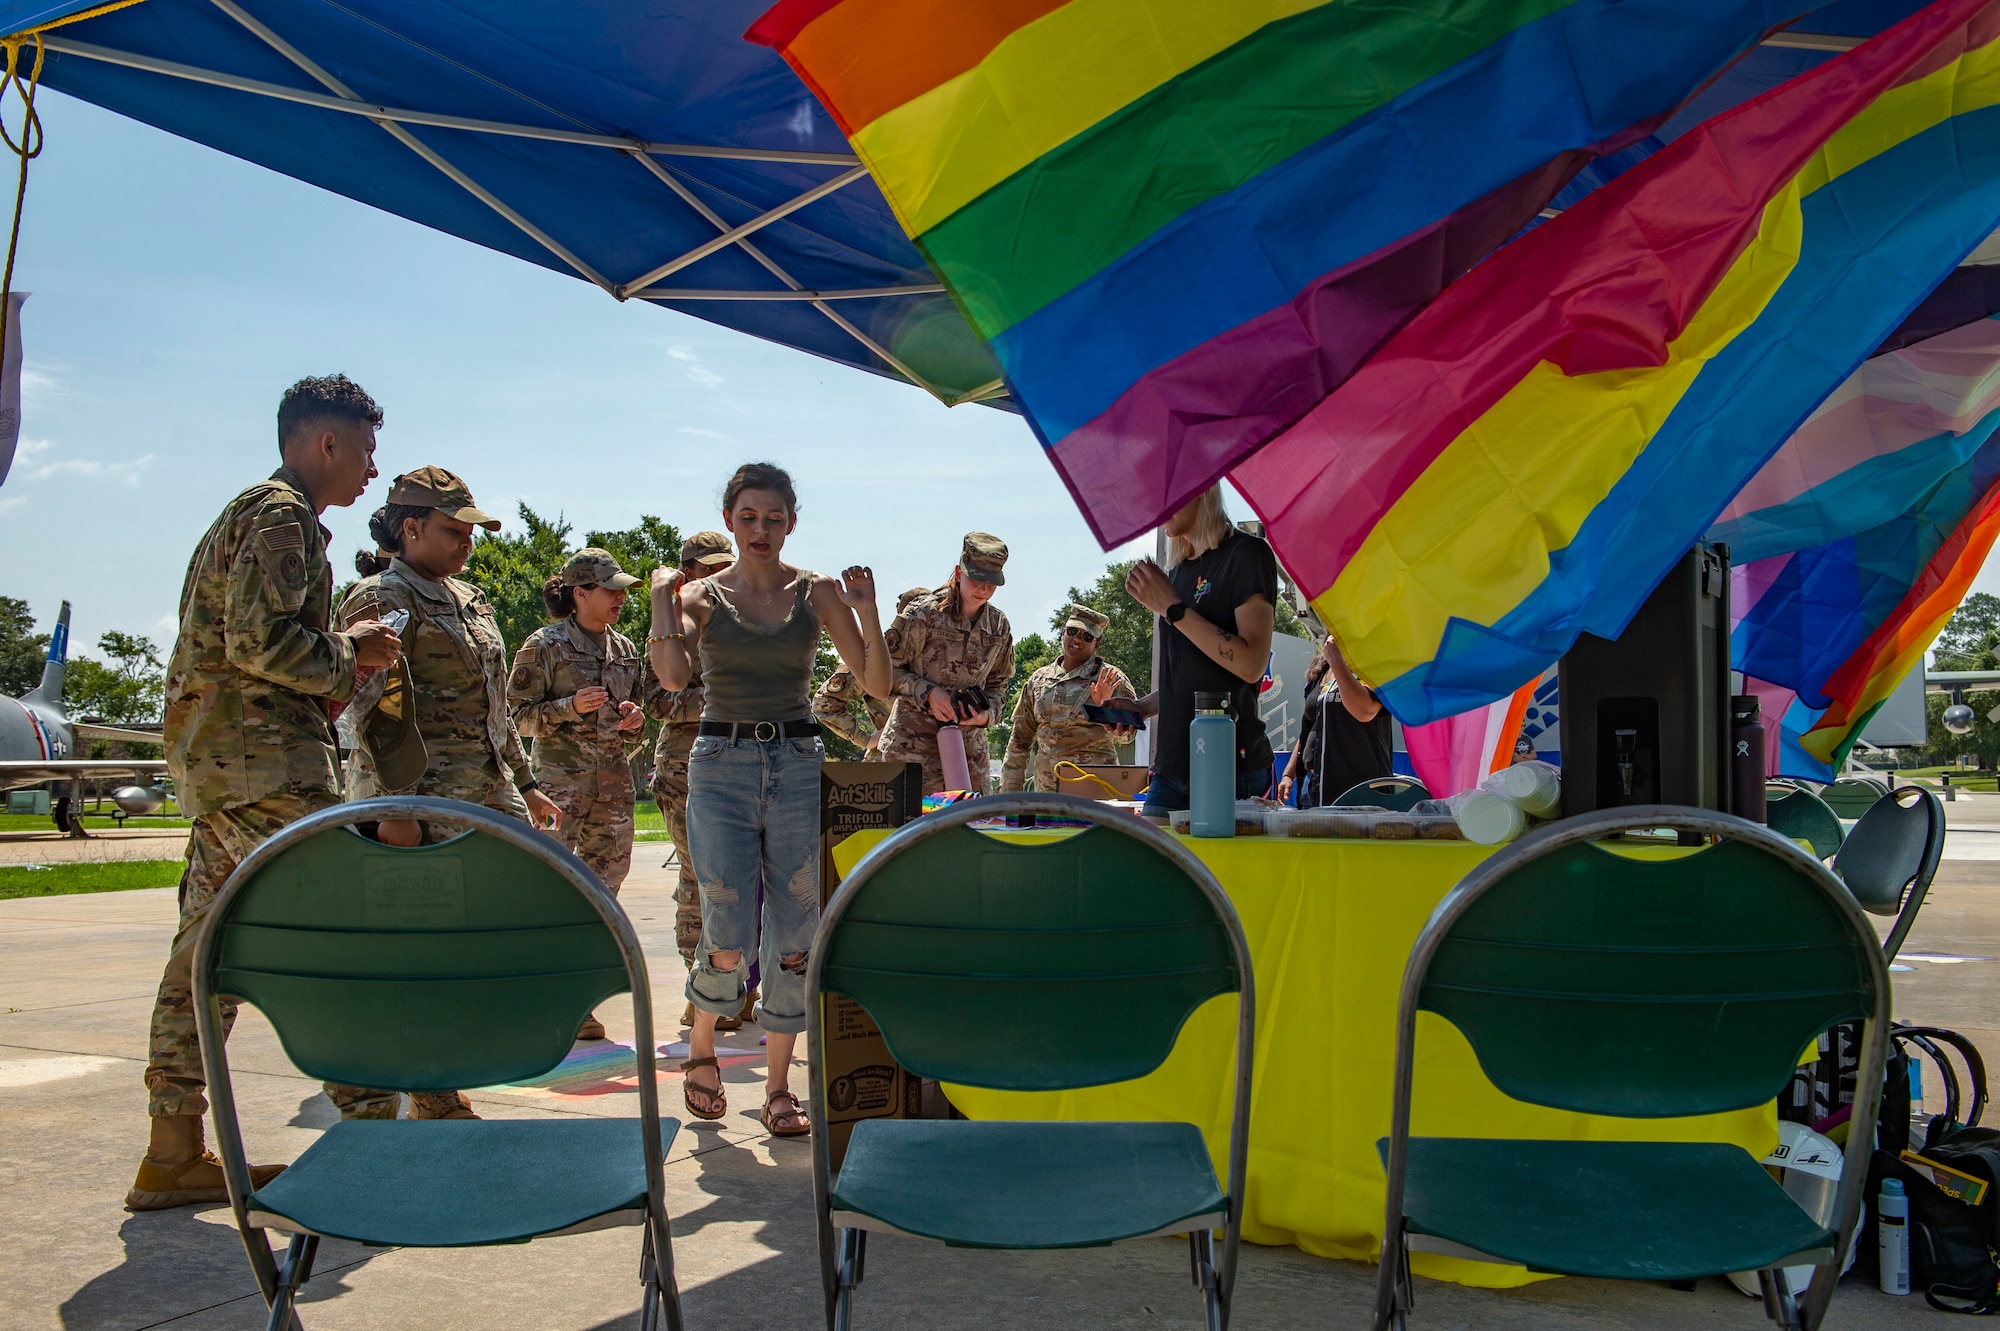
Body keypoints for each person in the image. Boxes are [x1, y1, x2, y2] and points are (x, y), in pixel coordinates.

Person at [131, 375, 404, 1210]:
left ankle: (173, 1147)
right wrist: (350, 651)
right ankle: (376, 1132)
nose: (369, 470)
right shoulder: (282, 513)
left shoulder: (252, 512)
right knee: (327, 933)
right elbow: (258, 641)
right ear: (325, 443)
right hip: (264, 766)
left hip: (225, 764)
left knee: (204, 956)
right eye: (363, 449)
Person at [647, 462, 888, 1138]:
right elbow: (671, 676)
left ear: (791, 522)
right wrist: (663, 601)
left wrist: (866, 609)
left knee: (795, 937)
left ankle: (779, 1086)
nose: (761, 528)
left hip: (798, 760)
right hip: (721, 763)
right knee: (725, 929)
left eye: (774, 517)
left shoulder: (814, 593)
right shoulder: (701, 596)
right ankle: (704, 1049)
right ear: (730, 519)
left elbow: (877, 684)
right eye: (748, 516)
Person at [323, 467, 564, 1122]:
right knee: (421, 952)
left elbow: (497, 711)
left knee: (477, 947)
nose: (466, 543)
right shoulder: (377, 596)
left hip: (486, 797)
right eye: (453, 530)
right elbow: (370, 713)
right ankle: (425, 1093)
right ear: (410, 527)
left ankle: (441, 1080)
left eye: (470, 532)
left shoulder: (472, 599)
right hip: (421, 802)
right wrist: (393, 809)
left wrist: (530, 783)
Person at [508, 547, 669, 1041]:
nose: (621, 597)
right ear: (580, 593)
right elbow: (513, 718)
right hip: (559, 791)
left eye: (622, 589)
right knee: (552, 890)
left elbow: (631, 725)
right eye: (611, 589)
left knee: (604, 893)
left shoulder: (623, 650)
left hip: (614, 793)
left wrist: (634, 722)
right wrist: (565, 707)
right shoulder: (544, 646)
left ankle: (580, 996)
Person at [1120, 485, 1278, 820]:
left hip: (1232, 765)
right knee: (1153, 871)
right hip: (1171, 767)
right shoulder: (1177, 572)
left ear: (1199, 490)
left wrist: (1173, 609)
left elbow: (1251, 665)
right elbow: (1191, 675)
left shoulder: (1248, 553)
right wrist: (1140, 708)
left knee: (1224, 875)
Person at [646, 529, 752, 1029]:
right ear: (688, 571)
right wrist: (720, 702)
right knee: (702, 882)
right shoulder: (672, 621)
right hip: (685, 770)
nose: (718, 576)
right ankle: (704, 996)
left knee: (737, 883)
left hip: (741, 766)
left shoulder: (743, 616)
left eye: (723, 566)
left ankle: (729, 988)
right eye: (708, 568)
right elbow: (656, 698)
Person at [877, 535, 1015, 794]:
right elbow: (884, 673)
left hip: (969, 756)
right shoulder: (923, 615)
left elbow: (999, 684)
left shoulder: (998, 625)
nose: (983, 589)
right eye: (976, 578)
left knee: (973, 828)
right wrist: (927, 692)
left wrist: (987, 715)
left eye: (991, 582)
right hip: (913, 752)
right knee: (915, 832)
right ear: (958, 572)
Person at [1001, 603, 1137, 792]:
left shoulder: (1111, 679)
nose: (1078, 639)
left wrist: (1105, 710)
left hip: (1094, 791)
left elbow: (1127, 737)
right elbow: (1019, 742)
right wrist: (1010, 793)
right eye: (1073, 631)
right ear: (1063, 632)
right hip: (1047, 793)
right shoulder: (1038, 680)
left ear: (1097, 643)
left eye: (1087, 637)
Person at [812, 586, 927, 756]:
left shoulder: (945, 661)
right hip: (890, 764)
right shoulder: (877, 658)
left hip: (942, 765)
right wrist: (865, 739)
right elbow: (824, 702)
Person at [1277, 637, 1391, 808]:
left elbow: (1365, 711)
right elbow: (1312, 728)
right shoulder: (1323, 667)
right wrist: (1288, 774)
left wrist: (1337, 661)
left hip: (1357, 789)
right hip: (1313, 786)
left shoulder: (1374, 659)